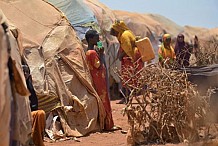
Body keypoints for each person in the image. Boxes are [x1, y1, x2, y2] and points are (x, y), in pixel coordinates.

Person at [85, 29, 115, 131]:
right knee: (104, 101)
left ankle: (106, 124)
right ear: (91, 39)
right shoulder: (92, 53)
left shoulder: (89, 52)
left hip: (98, 80)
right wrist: (101, 54)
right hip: (99, 81)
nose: (98, 40)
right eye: (96, 38)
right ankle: (108, 124)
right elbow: (98, 65)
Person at [110, 20, 143, 103]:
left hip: (130, 58)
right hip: (129, 58)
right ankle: (127, 97)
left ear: (117, 29)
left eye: (113, 29)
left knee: (127, 78)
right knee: (128, 78)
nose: (111, 31)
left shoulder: (124, 35)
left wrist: (121, 56)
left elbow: (127, 48)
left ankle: (127, 98)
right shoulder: (124, 34)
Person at [22, 65, 46, 146]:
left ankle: (37, 140)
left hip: (28, 115)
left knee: (40, 114)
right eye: (23, 72)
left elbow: (34, 105)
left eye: (27, 72)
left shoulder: (30, 88)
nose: (25, 74)